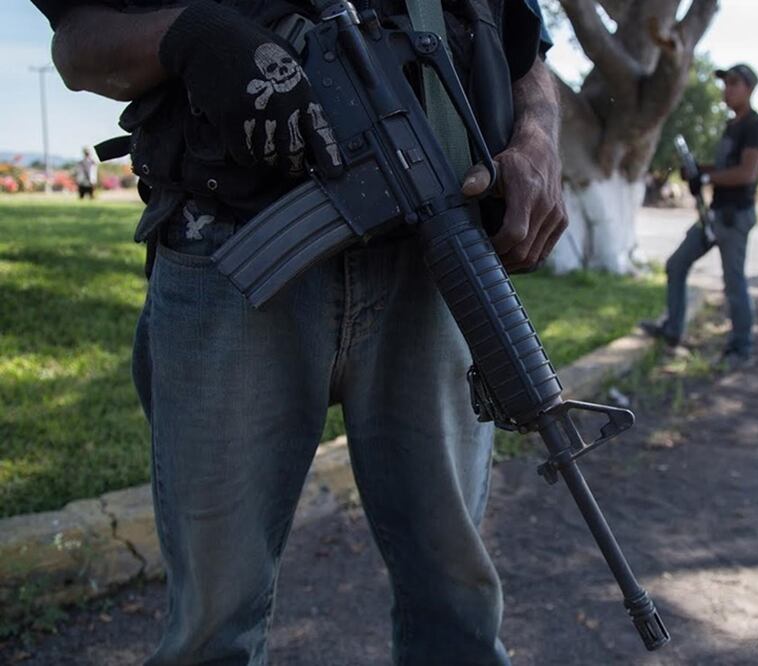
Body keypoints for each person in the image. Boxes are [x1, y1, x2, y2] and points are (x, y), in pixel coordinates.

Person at [34, 0, 566, 663]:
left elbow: (528, 53)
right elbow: (79, 41)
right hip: (232, 251)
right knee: (214, 629)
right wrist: (185, 35)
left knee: (458, 606)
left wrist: (539, 140)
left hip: (441, 253)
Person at [641, 63, 758, 370]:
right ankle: (673, 330)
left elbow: (746, 173)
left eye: (734, 83)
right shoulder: (731, 125)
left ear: (749, 89)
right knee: (676, 264)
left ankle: (741, 347)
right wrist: (700, 169)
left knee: (733, 282)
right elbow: (725, 166)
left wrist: (707, 180)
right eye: (725, 83)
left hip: (734, 217)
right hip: (713, 215)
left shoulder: (756, 127)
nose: (727, 89)